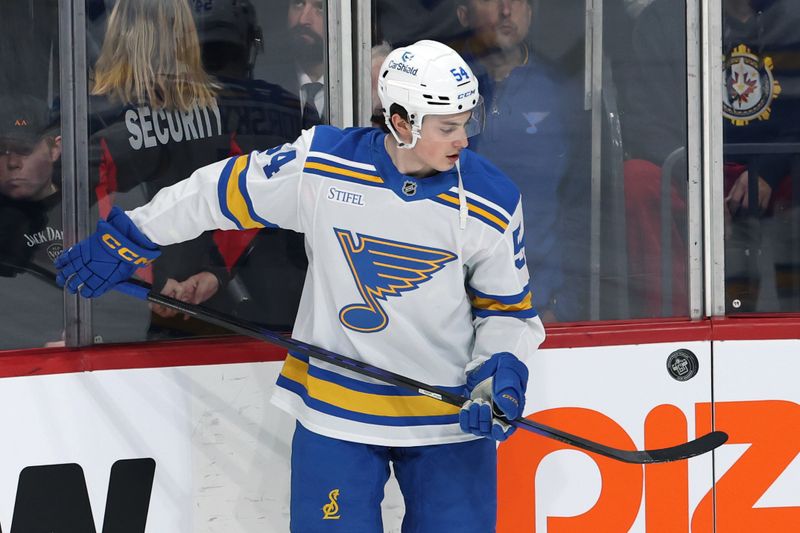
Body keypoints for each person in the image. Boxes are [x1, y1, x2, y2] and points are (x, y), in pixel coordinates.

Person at [56, 40, 545, 532]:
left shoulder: (492, 198)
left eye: (468, 121)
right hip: (337, 414)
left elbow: (507, 311)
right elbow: (217, 191)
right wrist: (133, 235)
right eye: (448, 127)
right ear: (402, 121)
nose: (464, 138)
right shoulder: (323, 164)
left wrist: (498, 373)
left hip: (449, 419)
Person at [89, 0, 309, 337]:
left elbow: (88, 213)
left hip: (130, 310)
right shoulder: (235, 109)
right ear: (187, 39)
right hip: (219, 311)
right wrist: (212, 274)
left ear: (117, 36)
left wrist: (155, 281)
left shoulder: (89, 118)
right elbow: (248, 195)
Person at [620, 0, 800, 315]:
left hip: (775, 174)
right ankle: (672, 323)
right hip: (691, 170)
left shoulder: (793, 16)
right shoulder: (663, 19)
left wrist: (769, 170)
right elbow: (646, 122)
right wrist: (702, 185)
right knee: (636, 180)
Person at [454, 0, 579, 322]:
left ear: (532, 13)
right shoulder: (438, 88)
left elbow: (580, 205)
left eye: (518, 0)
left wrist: (557, 300)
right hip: (449, 299)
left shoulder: (559, 89)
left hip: (537, 300)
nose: (506, 10)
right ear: (462, 14)